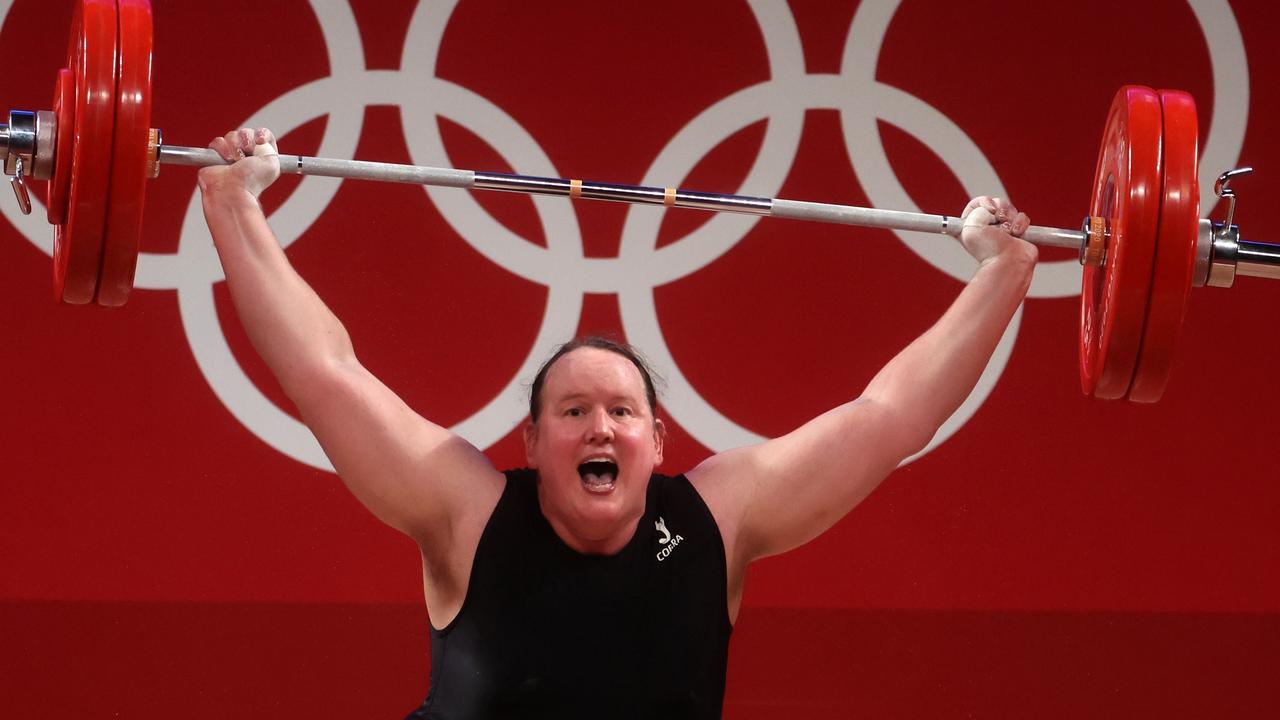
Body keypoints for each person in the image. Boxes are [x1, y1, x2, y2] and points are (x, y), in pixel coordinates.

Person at [198, 128, 1036, 720]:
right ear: (530, 446)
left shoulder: (720, 518)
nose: (600, 429)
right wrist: (233, 206)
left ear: (659, 443)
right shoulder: (469, 514)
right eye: (573, 412)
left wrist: (1002, 276)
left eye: (622, 412)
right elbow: (324, 374)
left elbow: (889, 417)